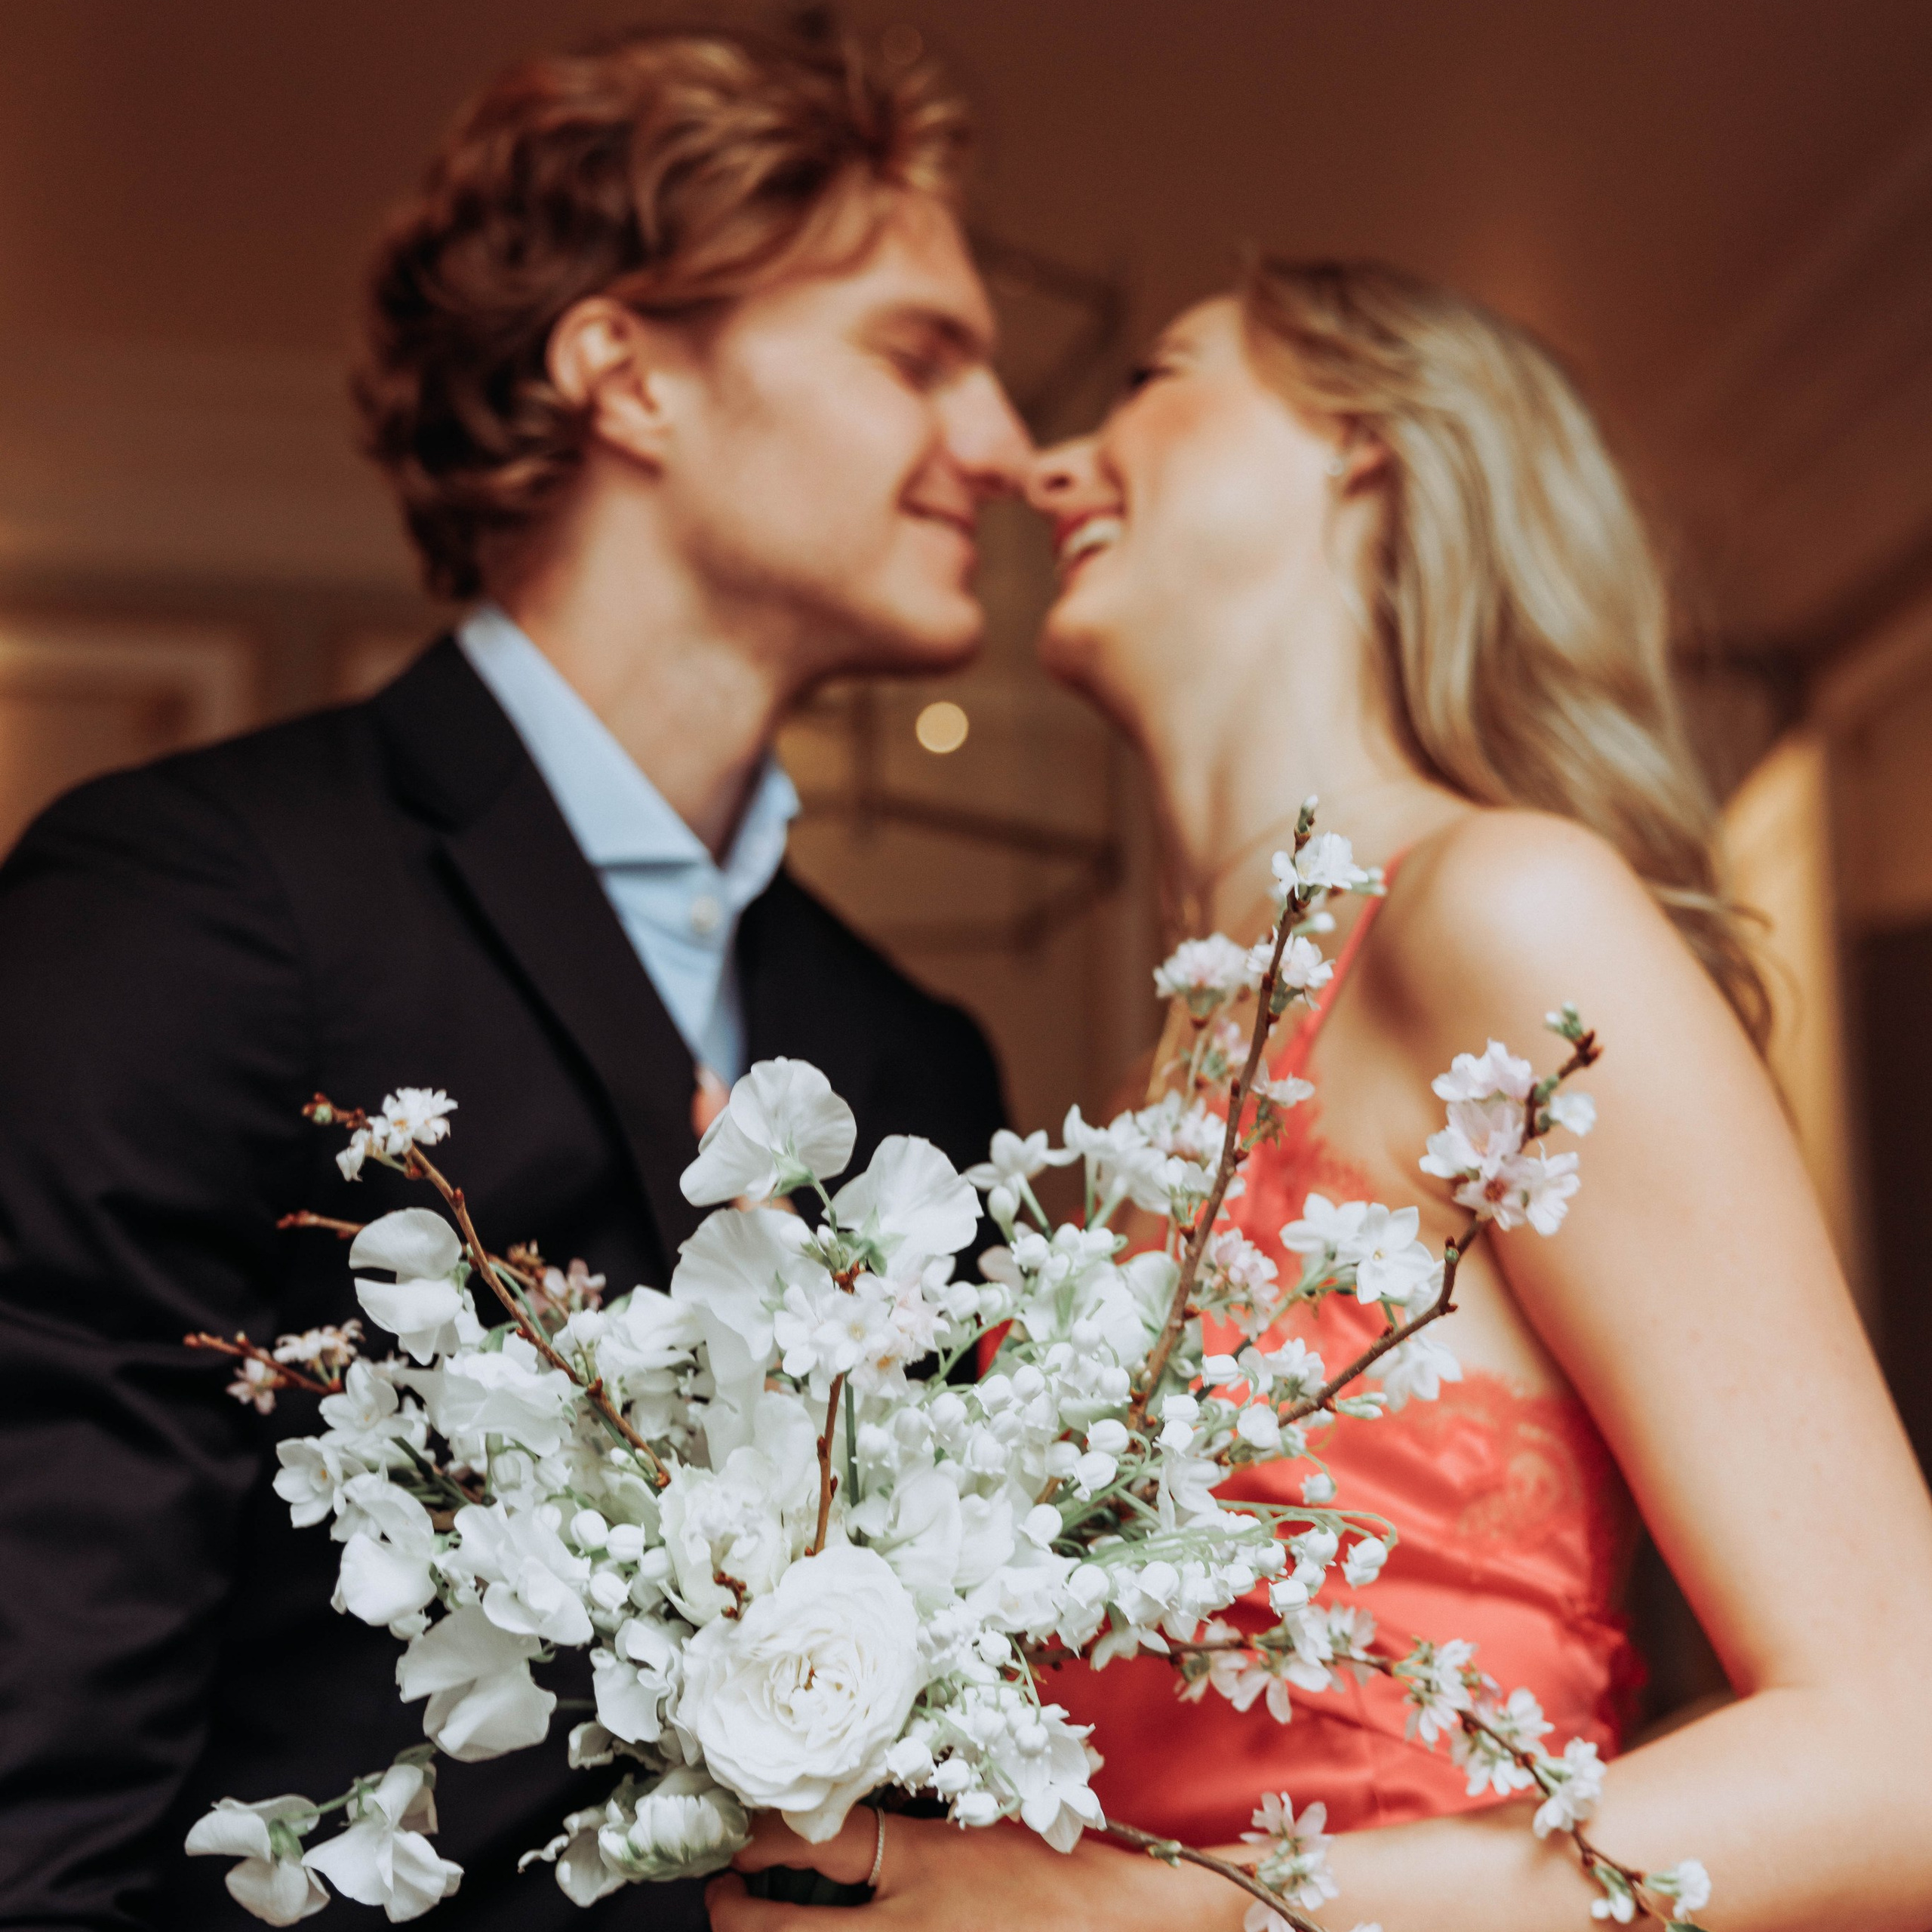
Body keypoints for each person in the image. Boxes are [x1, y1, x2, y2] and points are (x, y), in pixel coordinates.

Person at [708, 265, 1932, 1927]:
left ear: (1365, 441)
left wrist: (1144, 1916)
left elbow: (1898, 1756)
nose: (1049, 466)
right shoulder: (1140, 1106)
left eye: (1155, 374)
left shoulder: (1503, 913)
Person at [0, 27, 1028, 1931]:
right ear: (624, 372)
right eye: (915, 354)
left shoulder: (914, 1059)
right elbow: (33, 1763)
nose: (1002, 444)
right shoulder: (194, 900)